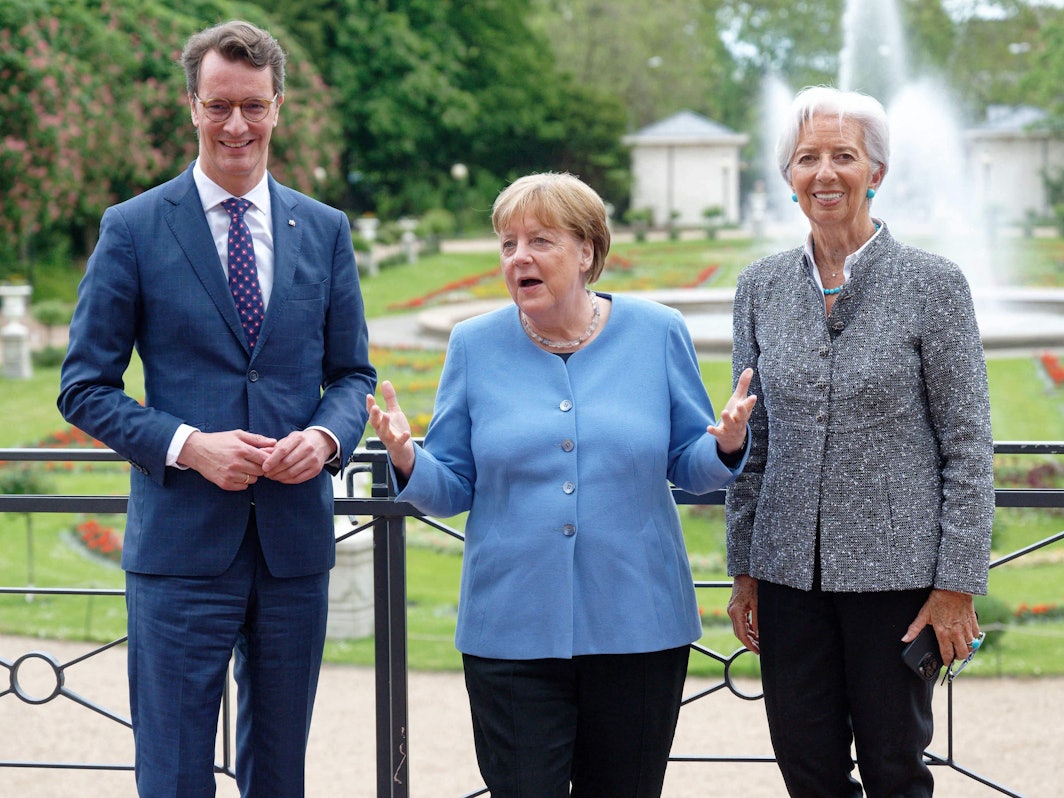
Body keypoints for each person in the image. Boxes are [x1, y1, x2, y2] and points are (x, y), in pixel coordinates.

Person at [58, 20, 376, 796]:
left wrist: (329, 438)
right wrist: (187, 444)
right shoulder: (132, 229)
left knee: (280, 775)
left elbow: (352, 376)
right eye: (220, 105)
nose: (238, 125)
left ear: (277, 108)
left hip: (292, 547)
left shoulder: (325, 230)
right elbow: (83, 386)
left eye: (254, 106)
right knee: (171, 773)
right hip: (179, 551)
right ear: (192, 105)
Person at [367, 172, 756, 796]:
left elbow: (689, 463)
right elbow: (453, 485)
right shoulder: (473, 345)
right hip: (510, 629)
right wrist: (408, 458)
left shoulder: (657, 333)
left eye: (540, 240)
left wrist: (727, 443)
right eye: (507, 243)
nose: (518, 256)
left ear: (586, 252)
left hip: (639, 626)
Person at [725, 85, 995, 798]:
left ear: (876, 172)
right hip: (785, 578)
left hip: (898, 582)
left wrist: (957, 584)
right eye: (807, 157)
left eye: (844, 156)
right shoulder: (758, 288)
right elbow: (753, 442)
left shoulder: (932, 284)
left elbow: (967, 446)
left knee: (894, 770)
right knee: (806, 770)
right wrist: (743, 569)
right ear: (788, 177)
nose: (824, 173)